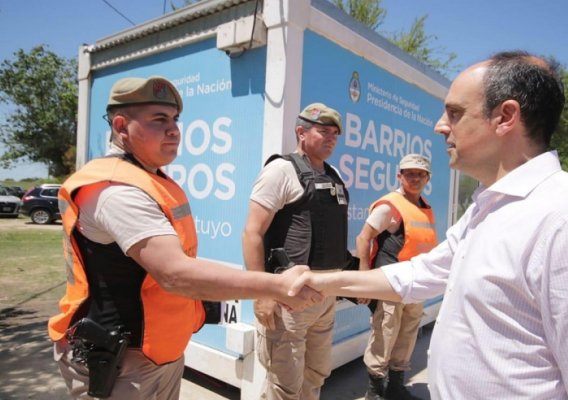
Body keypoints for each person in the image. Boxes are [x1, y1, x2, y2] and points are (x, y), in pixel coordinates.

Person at [289, 51, 568, 399]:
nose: (440, 126)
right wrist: (321, 280)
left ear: (505, 117)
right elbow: (420, 273)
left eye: (455, 113)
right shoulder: (487, 208)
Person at [48, 76, 320, 400]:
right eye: (159, 120)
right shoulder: (115, 190)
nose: (174, 129)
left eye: (175, 119)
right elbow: (175, 273)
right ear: (121, 126)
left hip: (156, 352)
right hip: (121, 360)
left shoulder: (150, 179)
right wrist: (275, 286)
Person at [242, 103, 349, 400]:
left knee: (314, 376)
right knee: (284, 385)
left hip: (324, 296)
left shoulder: (333, 174)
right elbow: (252, 233)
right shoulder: (281, 170)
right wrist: (262, 294)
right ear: (301, 132)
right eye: (323, 131)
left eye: (335, 134)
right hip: (288, 299)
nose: (331, 139)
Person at [356, 154, 437, 400]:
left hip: (415, 283)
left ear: (427, 178)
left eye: (420, 174)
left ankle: (395, 387)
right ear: (399, 176)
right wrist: (363, 276)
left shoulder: (423, 206)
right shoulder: (389, 206)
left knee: (407, 334)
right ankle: (375, 392)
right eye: (409, 173)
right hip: (390, 283)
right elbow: (363, 238)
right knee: (385, 333)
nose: (415, 178)